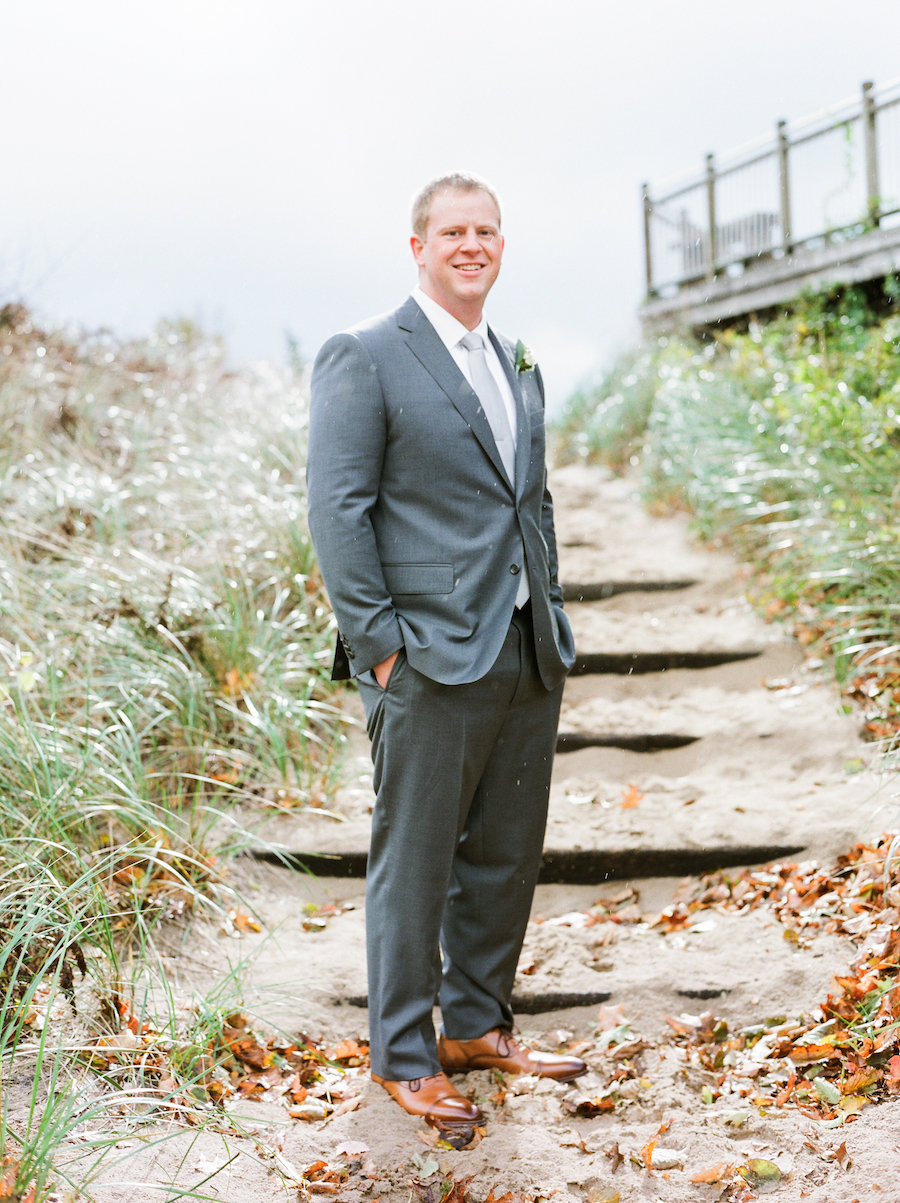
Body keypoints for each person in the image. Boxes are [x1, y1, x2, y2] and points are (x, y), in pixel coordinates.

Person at [306, 172, 585, 1137]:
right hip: (425, 657)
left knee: (505, 856)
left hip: (522, 646)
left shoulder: (513, 357)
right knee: (415, 863)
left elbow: (529, 497)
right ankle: (403, 1052)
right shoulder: (367, 356)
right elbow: (337, 512)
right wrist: (380, 649)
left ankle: (476, 1024)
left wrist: (547, 609)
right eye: (454, 230)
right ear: (417, 246)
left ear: (501, 246)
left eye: (488, 230)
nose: (473, 243)